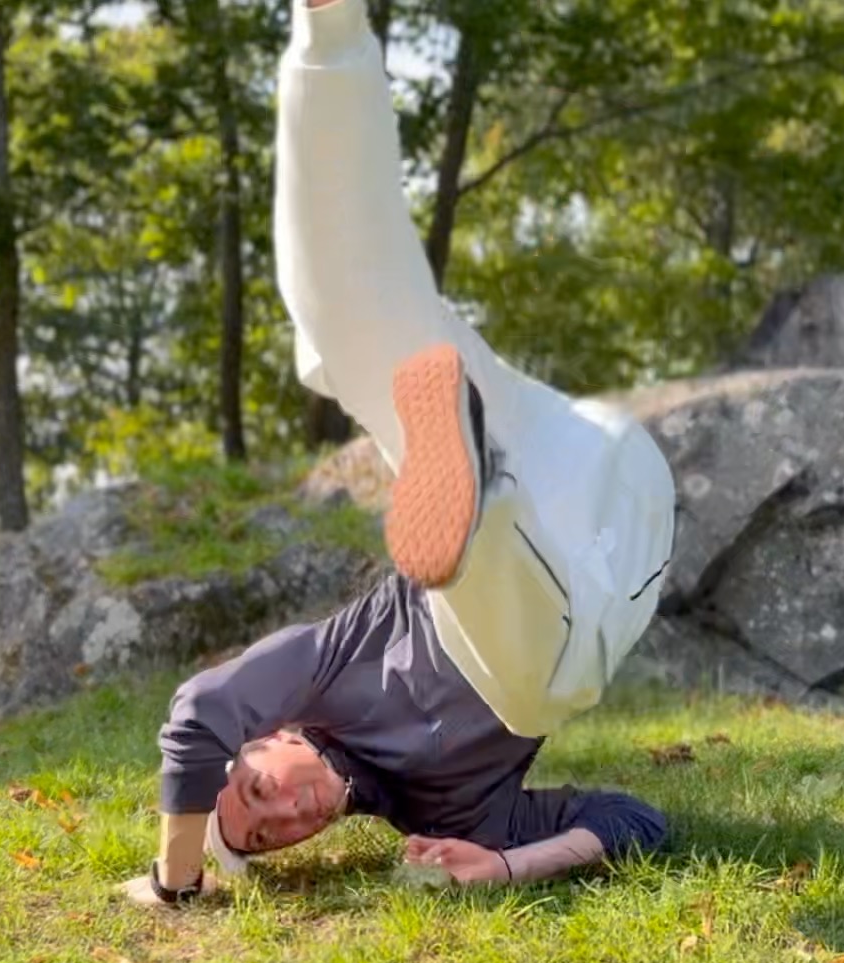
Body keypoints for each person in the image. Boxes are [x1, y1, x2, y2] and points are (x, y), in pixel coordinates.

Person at [120, 0, 677, 906]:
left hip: (547, 437)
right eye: (268, 840)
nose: (284, 815)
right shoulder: (448, 812)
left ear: (273, 736)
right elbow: (638, 821)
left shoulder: (325, 667)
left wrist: (176, 882)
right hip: (615, 539)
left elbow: (196, 717)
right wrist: (503, 864)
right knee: (534, 687)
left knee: (340, 332)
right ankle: (478, 500)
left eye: (255, 791)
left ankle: (330, 31)